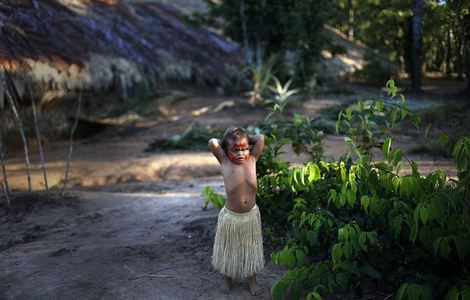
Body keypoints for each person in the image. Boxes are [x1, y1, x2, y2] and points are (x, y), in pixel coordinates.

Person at [208, 126, 265, 296]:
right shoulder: (225, 161)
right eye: (235, 150)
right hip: (231, 217)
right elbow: (213, 142)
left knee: (251, 249)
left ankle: (252, 280)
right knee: (229, 250)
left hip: (251, 216)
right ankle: (227, 279)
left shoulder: (252, 159)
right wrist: (226, 140)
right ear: (226, 149)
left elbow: (260, 138)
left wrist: (243, 138)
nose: (240, 154)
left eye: (244, 148)